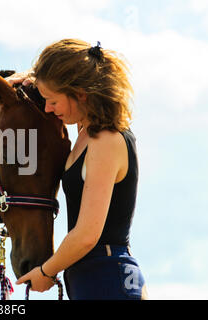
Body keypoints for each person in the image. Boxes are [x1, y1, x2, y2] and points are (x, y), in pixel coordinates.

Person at [9, 39, 148, 300]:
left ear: (80, 94)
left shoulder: (106, 140)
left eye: (52, 101)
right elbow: (69, 75)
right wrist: (32, 79)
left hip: (109, 278)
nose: (48, 108)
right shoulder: (85, 129)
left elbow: (86, 235)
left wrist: (46, 272)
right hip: (91, 278)